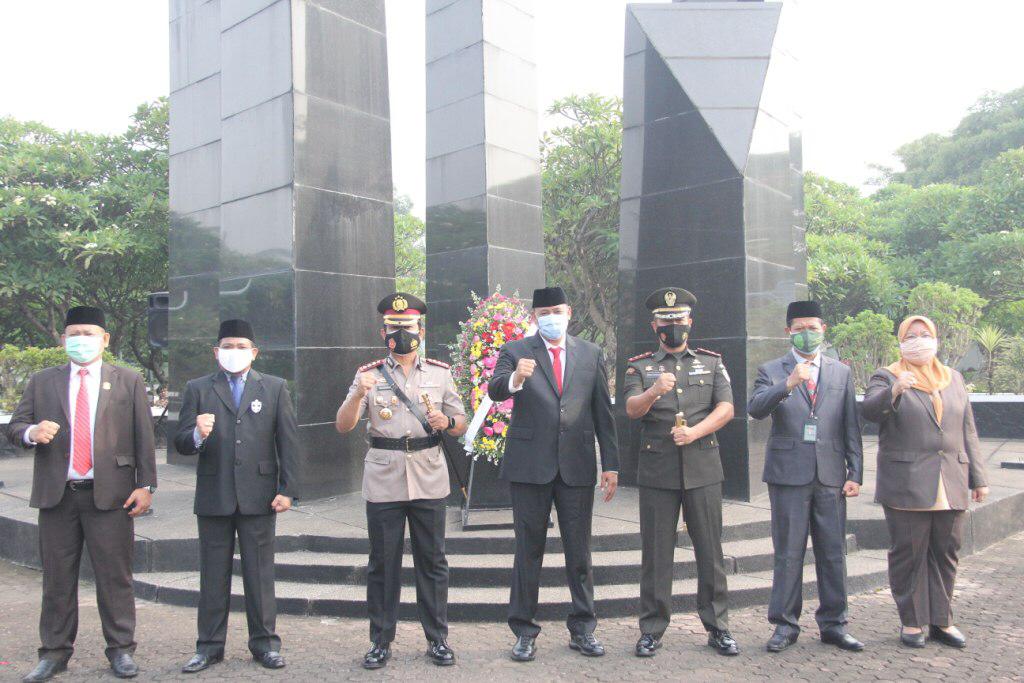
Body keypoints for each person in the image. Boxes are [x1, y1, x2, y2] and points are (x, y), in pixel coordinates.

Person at [8, 306, 157, 682]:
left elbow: (144, 437)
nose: (81, 339)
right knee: (57, 579)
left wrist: (146, 485)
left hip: (111, 496)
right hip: (58, 496)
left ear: (105, 339)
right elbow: (15, 426)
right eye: (74, 333)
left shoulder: (128, 380)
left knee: (115, 577)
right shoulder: (43, 381)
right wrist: (31, 432)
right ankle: (54, 653)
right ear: (63, 338)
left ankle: (121, 650)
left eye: (89, 333)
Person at [335, 292, 467, 669]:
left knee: (432, 562)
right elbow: (343, 425)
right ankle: (380, 641)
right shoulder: (369, 375)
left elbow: (460, 424)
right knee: (383, 564)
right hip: (384, 477)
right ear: (383, 332)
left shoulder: (440, 373)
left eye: (408, 327)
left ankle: (437, 639)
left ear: (420, 330)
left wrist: (448, 423)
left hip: (428, 476)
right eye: (394, 328)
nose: (401, 333)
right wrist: (358, 395)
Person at [488, 286, 619, 662]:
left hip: (576, 465)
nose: (550, 317)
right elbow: (495, 389)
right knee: (528, 551)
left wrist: (610, 463)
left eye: (556, 310)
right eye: (543, 311)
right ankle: (524, 631)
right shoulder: (516, 351)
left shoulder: (591, 353)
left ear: (569, 312)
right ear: (534, 317)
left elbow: (603, 414)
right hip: (530, 467)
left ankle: (583, 628)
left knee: (579, 552)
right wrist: (515, 379)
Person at [172, 319, 299, 672]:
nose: (234, 352)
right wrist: (197, 433)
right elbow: (181, 442)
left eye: (242, 346)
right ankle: (209, 646)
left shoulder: (273, 387)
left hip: (259, 495)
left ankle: (265, 645)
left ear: (254, 352)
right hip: (215, 495)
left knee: (260, 574)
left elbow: (287, 441)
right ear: (216, 352)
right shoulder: (198, 388)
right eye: (228, 346)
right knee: (213, 575)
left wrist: (288, 490)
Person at [622, 287, 738, 657]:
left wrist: (695, 432)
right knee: (656, 553)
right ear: (654, 325)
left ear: (690, 321)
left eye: (678, 319)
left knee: (710, 551)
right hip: (658, 470)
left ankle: (718, 627)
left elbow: (727, 408)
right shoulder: (639, 367)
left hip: (703, 466)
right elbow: (631, 410)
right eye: (665, 321)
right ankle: (652, 629)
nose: (672, 326)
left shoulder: (712, 362)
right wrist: (654, 390)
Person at [861, 315, 989, 649]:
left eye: (925, 334)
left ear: (936, 339)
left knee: (946, 552)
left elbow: (968, 431)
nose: (919, 341)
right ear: (901, 341)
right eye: (911, 336)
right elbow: (870, 411)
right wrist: (896, 389)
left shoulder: (954, 379)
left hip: (952, 480)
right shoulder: (887, 375)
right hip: (907, 482)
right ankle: (912, 621)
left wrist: (979, 477)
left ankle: (942, 621)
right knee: (909, 553)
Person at [747, 300, 864, 653]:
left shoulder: (840, 372)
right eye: (799, 329)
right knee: (788, 553)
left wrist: (854, 471)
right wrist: (787, 383)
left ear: (823, 329)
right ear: (788, 332)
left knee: (833, 553)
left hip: (830, 475)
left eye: (813, 327)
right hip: (788, 476)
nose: (806, 334)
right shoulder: (771, 370)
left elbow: (850, 426)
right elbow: (755, 408)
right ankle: (784, 625)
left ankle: (834, 624)